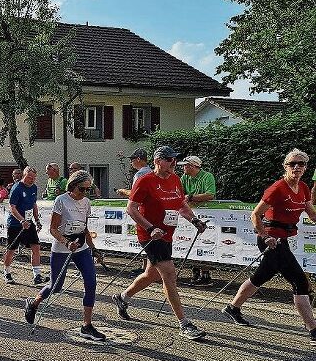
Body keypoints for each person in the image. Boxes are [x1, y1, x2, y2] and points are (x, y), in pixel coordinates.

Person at [111, 146, 208, 340]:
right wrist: (149, 228)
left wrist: (195, 220)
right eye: (169, 160)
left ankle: (123, 297)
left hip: (166, 235)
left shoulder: (175, 180)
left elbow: (181, 205)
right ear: (157, 161)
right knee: (169, 274)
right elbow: (131, 208)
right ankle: (184, 323)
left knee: (151, 273)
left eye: (175, 160)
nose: (173, 164)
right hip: (150, 236)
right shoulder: (145, 180)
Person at [223, 149, 316, 344]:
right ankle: (313, 329)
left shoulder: (304, 188)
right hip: (271, 239)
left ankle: (233, 308)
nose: (297, 167)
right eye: (292, 164)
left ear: (306, 167)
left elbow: (312, 213)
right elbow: (255, 215)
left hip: (284, 238)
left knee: (262, 275)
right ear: (285, 166)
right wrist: (264, 237)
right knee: (300, 281)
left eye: (301, 164)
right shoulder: (277, 188)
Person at [24, 170, 104, 340]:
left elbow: (84, 229)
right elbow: (53, 229)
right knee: (56, 286)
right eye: (82, 189)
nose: (85, 193)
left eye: (88, 190)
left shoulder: (86, 203)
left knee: (91, 283)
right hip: (61, 248)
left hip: (81, 248)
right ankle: (34, 303)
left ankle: (87, 325)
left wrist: (94, 249)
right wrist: (67, 242)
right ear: (73, 186)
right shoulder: (61, 201)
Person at [3, 166, 44, 285]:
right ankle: (7, 272)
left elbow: (34, 204)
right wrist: (21, 220)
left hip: (29, 222)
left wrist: (37, 220)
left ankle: (37, 275)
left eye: (34, 178)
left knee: (36, 247)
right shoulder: (17, 188)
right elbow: (12, 207)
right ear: (24, 175)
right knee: (11, 249)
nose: (31, 180)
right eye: (29, 177)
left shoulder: (34, 188)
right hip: (16, 224)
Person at [179, 155, 217, 285]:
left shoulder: (207, 176)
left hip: (207, 213)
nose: (183, 168)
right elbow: (179, 193)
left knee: (206, 241)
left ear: (193, 166)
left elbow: (210, 194)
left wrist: (190, 197)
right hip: (191, 213)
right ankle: (195, 272)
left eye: (185, 165)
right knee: (191, 241)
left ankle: (206, 274)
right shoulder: (184, 177)